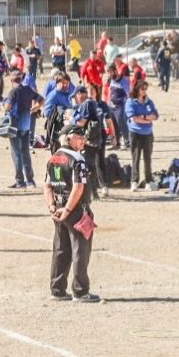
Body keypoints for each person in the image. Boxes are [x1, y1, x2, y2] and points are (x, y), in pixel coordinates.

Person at [43, 123, 98, 303]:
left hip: (58, 208)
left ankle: (57, 289)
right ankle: (80, 291)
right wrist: (67, 210)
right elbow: (78, 187)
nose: (83, 140)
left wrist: (52, 206)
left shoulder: (53, 158)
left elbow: (47, 185)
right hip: (74, 209)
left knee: (61, 249)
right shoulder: (78, 159)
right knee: (80, 249)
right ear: (68, 138)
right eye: (79, 137)